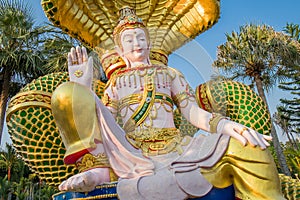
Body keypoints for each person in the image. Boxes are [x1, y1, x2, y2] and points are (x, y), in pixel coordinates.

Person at [51, 7, 285, 200]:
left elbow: (191, 111)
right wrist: (82, 89)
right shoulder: (114, 84)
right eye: (129, 40)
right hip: (132, 152)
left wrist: (224, 126)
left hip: (177, 148)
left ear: (150, 43)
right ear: (120, 49)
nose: (137, 43)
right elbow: (107, 124)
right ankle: (97, 170)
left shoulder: (170, 73)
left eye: (141, 38)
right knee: (68, 94)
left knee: (246, 145)